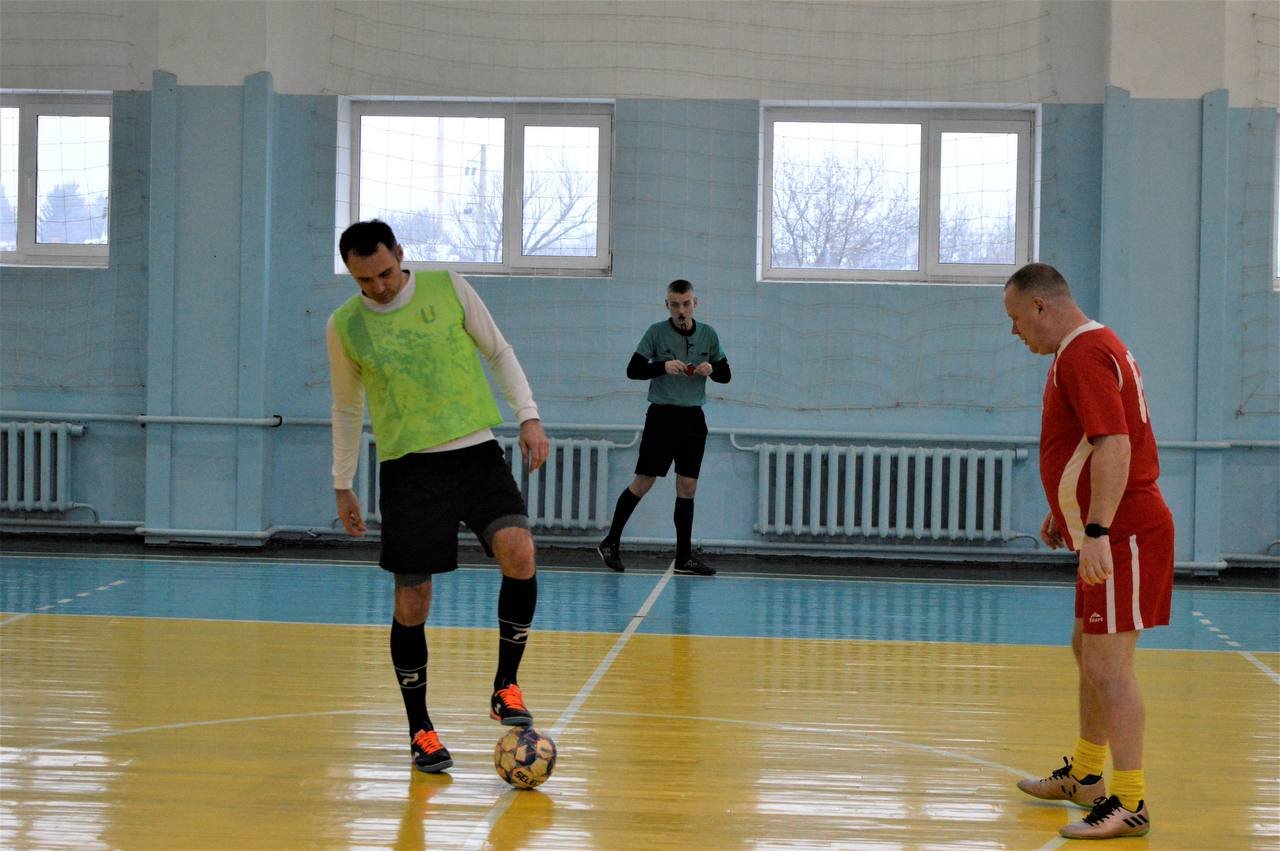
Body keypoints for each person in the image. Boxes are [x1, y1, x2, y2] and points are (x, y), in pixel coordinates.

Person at [327, 220, 549, 774]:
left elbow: (499, 351)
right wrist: (342, 481)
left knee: (520, 550)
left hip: (476, 453)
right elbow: (347, 406)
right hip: (408, 470)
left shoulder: (447, 286)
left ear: (401, 254)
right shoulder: (345, 325)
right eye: (364, 280)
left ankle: (506, 685)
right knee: (413, 602)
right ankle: (420, 729)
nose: (378, 287)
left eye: (384, 273)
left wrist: (528, 416)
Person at [1003, 262, 1173, 840]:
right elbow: (1084, 445)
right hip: (1107, 528)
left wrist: (1097, 530)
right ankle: (1086, 775)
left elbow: (1115, 444)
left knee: (1109, 668)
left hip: (1124, 532)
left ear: (1041, 307)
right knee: (1087, 649)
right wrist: (1067, 510)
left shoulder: (1083, 354)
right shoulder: (1083, 349)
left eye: (1016, 318)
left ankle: (1130, 802)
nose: (1015, 331)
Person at [596, 279, 731, 576]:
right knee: (644, 481)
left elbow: (726, 374)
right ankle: (610, 542)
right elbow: (633, 370)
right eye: (675, 305)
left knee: (688, 486)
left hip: (693, 418)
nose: (681, 310)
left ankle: (684, 558)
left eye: (686, 304)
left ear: (695, 303)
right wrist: (661, 366)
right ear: (667, 305)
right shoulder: (656, 332)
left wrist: (712, 369)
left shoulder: (709, 335)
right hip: (662, 417)